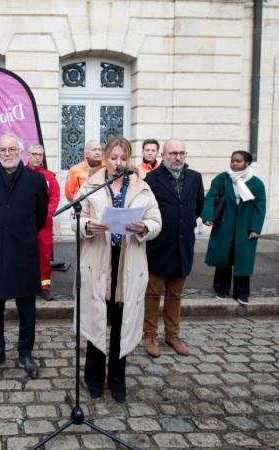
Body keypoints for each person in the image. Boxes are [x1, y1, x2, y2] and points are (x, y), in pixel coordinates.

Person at [75, 136, 161, 403]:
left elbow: (156, 220)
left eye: (123, 158)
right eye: (113, 158)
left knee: (121, 322)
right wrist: (88, 225)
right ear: (105, 159)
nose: (118, 163)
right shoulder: (91, 185)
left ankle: (117, 380)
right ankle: (93, 378)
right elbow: (75, 217)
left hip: (128, 262)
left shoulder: (142, 188)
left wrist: (143, 228)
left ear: (129, 159)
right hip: (99, 260)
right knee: (97, 318)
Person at [0, 133, 48, 379]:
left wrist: (20, 232)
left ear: (21, 151)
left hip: (24, 251)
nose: (7, 153)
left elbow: (40, 216)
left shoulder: (36, 181)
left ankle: (25, 352)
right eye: (3, 149)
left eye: (12, 149)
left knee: (27, 307)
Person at [143, 139, 204, 357]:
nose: (177, 157)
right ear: (163, 154)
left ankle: (172, 334)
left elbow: (197, 207)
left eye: (181, 153)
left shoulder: (195, 177)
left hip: (183, 245)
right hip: (158, 245)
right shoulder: (152, 178)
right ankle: (149, 334)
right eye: (173, 153)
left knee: (175, 294)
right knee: (152, 294)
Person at [202, 150, 266, 306]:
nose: (234, 163)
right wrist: (208, 216)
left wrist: (255, 228)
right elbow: (210, 197)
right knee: (223, 258)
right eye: (232, 160)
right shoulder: (223, 179)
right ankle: (221, 290)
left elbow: (260, 206)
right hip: (224, 224)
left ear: (247, 163)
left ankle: (242, 293)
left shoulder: (256, 183)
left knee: (243, 260)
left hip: (245, 227)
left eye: (238, 161)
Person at [26, 144, 61, 300]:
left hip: (44, 225)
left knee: (44, 256)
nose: (37, 157)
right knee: (23, 255)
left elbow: (54, 198)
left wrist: (45, 215)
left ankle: (44, 286)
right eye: (34, 154)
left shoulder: (49, 177)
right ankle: (24, 285)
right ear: (28, 155)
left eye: (40, 154)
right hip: (24, 224)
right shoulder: (20, 174)